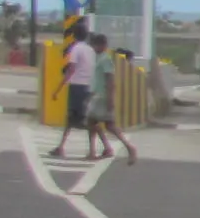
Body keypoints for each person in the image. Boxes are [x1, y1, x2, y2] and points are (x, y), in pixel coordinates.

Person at [85, 34, 139, 164]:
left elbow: (110, 81)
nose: (93, 47)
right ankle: (101, 150)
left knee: (104, 125)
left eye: (95, 45)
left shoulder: (105, 60)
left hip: (102, 97)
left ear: (102, 46)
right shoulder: (98, 58)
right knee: (95, 123)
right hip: (98, 95)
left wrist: (110, 99)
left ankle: (126, 148)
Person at [51, 24, 96, 158]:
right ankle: (90, 149)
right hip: (89, 86)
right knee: (86, 119)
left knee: (72, 118)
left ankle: (62, 147)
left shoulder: (76, 49)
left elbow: (71, 70)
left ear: (74, 36)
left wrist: (58, 89)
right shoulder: (90, 50)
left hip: (77, 86)